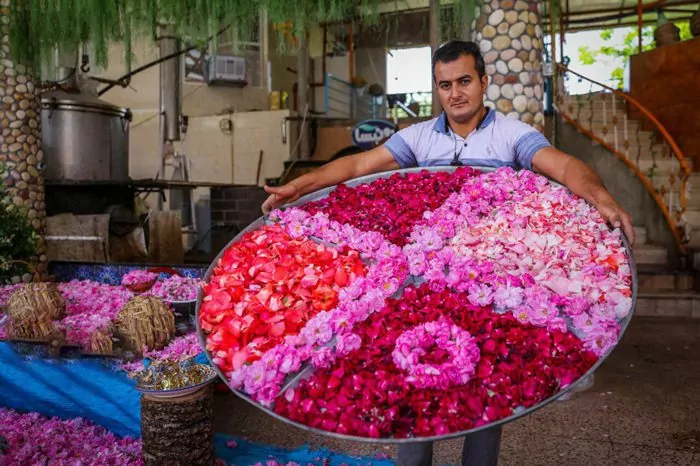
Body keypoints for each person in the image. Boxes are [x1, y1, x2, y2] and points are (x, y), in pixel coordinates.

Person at [261, 40, 634, 466]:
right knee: (412, 395)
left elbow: (565, 166)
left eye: (464, 81)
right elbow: (357, 167)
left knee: (486, 388)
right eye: (444, 85)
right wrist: (299, 186)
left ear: (483, 82)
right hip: (422, 285)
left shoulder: (510, 135)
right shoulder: (418, 138)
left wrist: (600, 196)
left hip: (487, 286)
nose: (455, 93)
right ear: (436, 89)